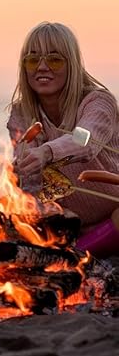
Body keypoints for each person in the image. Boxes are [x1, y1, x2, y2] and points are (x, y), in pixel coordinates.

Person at [8, 22, 119, 256]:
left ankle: (74, 256)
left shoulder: (98, 101)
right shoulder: (21, 113)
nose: (42, 67)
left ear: (72, 64)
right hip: (70, 226)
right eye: (32, 60)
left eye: (55, 59)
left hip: (114, 219)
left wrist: (47, 152)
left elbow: (85, 139)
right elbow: (31, 187)